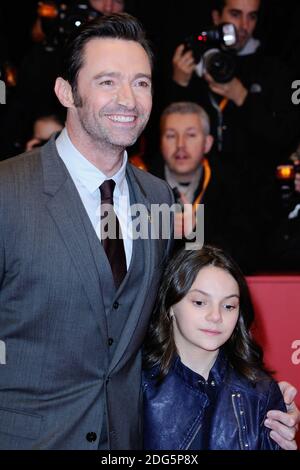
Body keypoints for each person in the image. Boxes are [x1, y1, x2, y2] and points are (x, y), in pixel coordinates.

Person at [0, 13, 174, 450]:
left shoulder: (158, 198)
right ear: (66, 92)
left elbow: (157, 332)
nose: (128, 100)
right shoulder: (7, 190)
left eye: (141, 82)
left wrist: (253, 398)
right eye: (107, 82)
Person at [142, 245, 291, 450]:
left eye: (228, 306)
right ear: (170, 306)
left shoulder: (259, 392)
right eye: (200, 302)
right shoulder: (135, 385)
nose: (215, 316)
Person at [135, 101, 257, 272]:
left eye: (190, 135)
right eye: (171, 136)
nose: (180, 145)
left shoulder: (232, 185)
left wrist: (195, 232)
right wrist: (158, 230)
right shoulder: (138, 182)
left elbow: (249, 252)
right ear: (160, 143)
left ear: (207, 143)